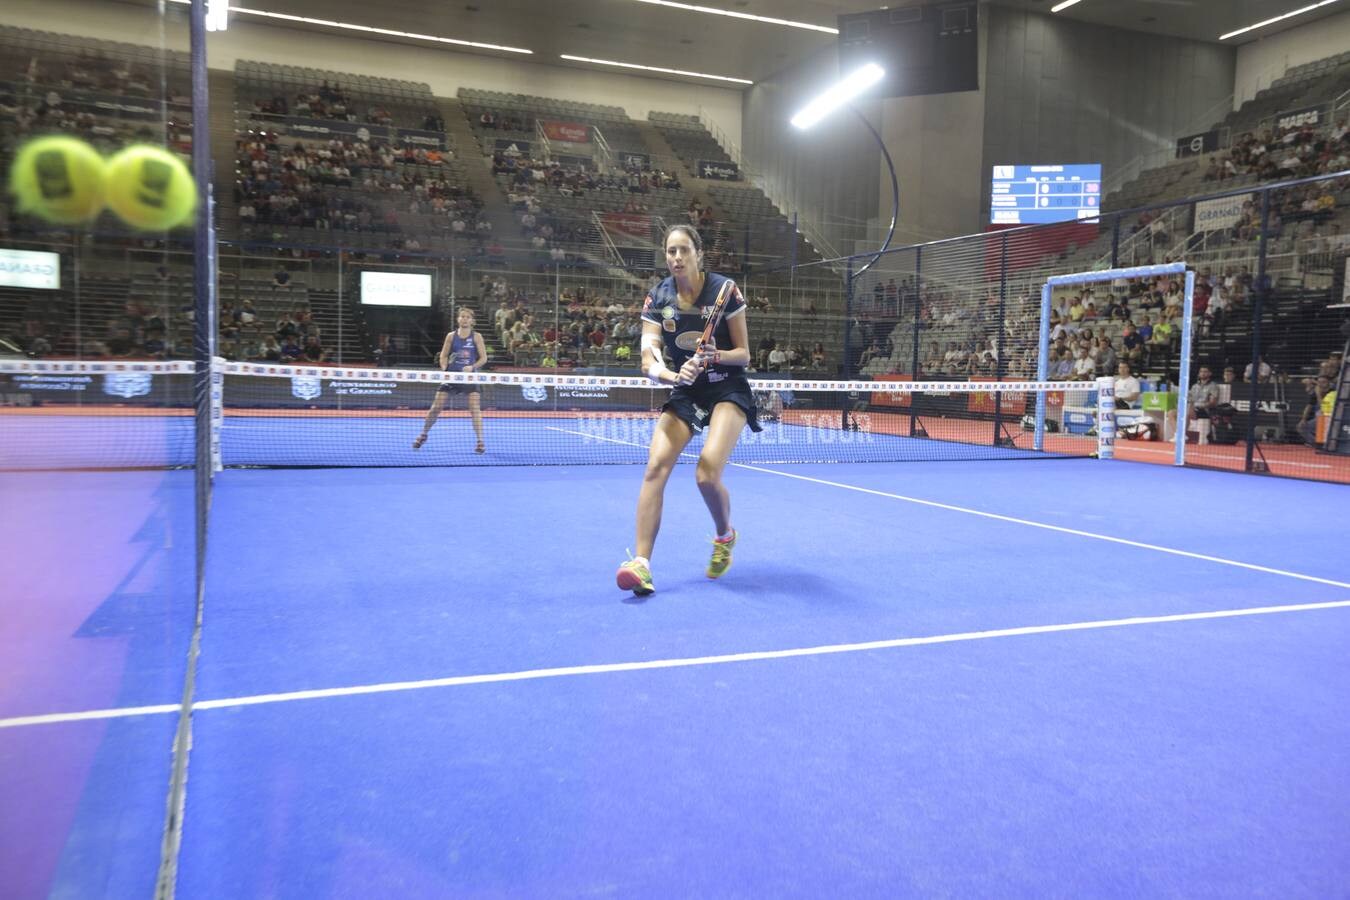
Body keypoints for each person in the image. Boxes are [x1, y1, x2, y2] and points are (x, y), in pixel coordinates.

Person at [615, 224, 760, 597]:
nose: (676, 258)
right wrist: (671, 374)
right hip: (685, 389)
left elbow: (744, 354)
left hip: (726, 387)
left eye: (683, 250)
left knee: (706, 474)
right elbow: (649, 358)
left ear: (698, 253)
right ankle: (642, 564)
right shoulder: (657, 299)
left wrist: (716, 355)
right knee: (655, 466)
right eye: (670, 252)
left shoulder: (724, 291)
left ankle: (724, 535)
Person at [413, 307, 487, 453]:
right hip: (451, 376)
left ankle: (480, 441)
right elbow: (444, 355)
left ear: (472, 321)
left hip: (469, 378)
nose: (464, 319)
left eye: (467, 317)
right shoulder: (451, 336)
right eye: (462, 317)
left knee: (474, 409)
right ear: (458, 319)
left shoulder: (477, 337)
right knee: (436, 407)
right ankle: (423, 434)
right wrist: (444, 367)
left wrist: (472, 367)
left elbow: (484, 358)